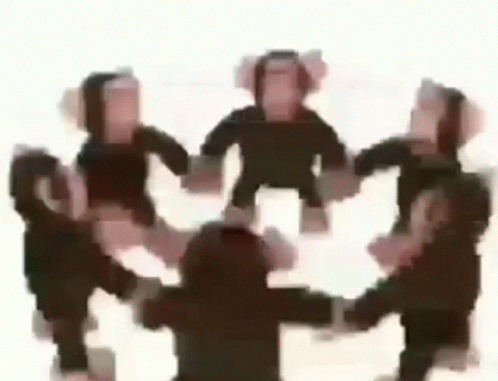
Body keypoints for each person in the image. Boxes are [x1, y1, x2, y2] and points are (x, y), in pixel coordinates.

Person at [136, 220, 336, 381]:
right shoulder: (267, 300)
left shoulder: (179, 300)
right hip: (260, 378)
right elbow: (318, 308)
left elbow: (147, 315)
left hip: (196, 375)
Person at [326, 168, 491, 381]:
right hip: (454, 315)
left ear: (438, 218)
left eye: (424, 209)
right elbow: (466, 291)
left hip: (430, 316)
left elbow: (394, 291)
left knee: (416, 353)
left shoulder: (428, 258)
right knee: (435, 334)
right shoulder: (465, 253)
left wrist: (357, 316)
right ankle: (455, 348)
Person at [10, 146, 161, 381]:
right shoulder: (57, 238)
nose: (81, 185)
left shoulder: (72, 231)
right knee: (68, 316)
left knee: (78, 291)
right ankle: (73, 372)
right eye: (71, 183)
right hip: (59, 291)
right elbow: (98, 270)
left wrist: (129, 286)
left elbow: (100, 266)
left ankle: (55, 322)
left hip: (64, 278)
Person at [182, 50, 354, 233]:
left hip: (300, 175)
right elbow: (216, 142)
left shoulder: (310, 123)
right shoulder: (246, 119)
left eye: (285, 84)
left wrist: (336, 170)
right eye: (271, 83)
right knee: (241, 198)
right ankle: (237, 226)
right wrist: (207, 162)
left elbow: (331, 148)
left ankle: (314, 223)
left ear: (299, 88)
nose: (277, 90)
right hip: (253, 174)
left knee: (312, 199)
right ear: (259, 87)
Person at [60, 69, 192, 265]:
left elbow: (182, 164)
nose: (131, 110)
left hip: (142, 217)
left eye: (132, 103)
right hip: (111, 223)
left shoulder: (143, 137)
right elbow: (82, 202)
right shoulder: (91, 153)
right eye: (121, 105)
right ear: (100, 110)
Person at [353, 78, 484, 233]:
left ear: (445, 124)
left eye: (425, 111)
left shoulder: (448, 179)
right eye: (418, 108)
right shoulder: (408, 149)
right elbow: (362, 163)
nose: (414, 115)